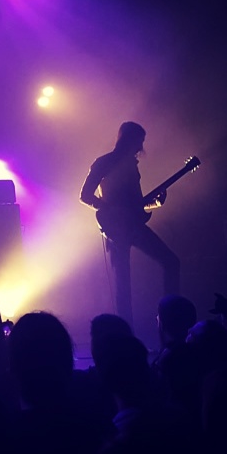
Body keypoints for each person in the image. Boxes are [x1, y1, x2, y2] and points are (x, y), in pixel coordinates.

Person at [80, 121, 180, 326]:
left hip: (132, 225)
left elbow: (135, 204)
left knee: (170, 262)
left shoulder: (132, 167)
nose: (141, 147)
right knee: (123, 283)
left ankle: (170, 319)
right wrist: (109, 208)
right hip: (116, 228)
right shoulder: (104, 162)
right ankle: (128, 330)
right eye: (139, 141)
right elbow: (85, 195)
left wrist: (156, 203)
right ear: (129, 139)